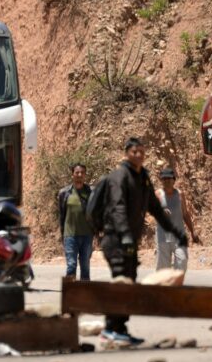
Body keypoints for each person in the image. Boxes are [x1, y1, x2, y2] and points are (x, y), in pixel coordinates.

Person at [100, 137, 187, 345]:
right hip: (115, 240)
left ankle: (120, 329)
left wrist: (175, 230)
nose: (138, 155)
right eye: (134, 152)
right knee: (121, 283)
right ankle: (109, 329)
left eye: (141, 151)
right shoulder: (119, 177)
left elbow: (155, 209)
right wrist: (126, 235)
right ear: (126, 153)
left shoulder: (143, 178)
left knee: (128, 283)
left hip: (128, 242)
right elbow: (118, 208)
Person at [155, 167, 200, 272]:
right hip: (163, 238)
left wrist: (193, 232)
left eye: (169, 178)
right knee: (163, 269)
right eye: (164, 179)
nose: (166, 181)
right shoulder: (157, 194)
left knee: (182, 262)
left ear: (174, 180)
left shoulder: (180, 194)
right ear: (161, 180)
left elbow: (185, 214)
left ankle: (176, 286)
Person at [57, 163, 93, 281]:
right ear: (72, 174)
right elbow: (62, 215)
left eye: (82, 173)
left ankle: (85, 296)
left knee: (85, 267)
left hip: (87, 235)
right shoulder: (64, 193)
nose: (79, 175)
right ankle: (70, 295)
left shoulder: (90, 192)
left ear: (85, 175)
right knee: (71, 266)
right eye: (77, 172)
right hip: (70, 236)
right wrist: (62, 234)